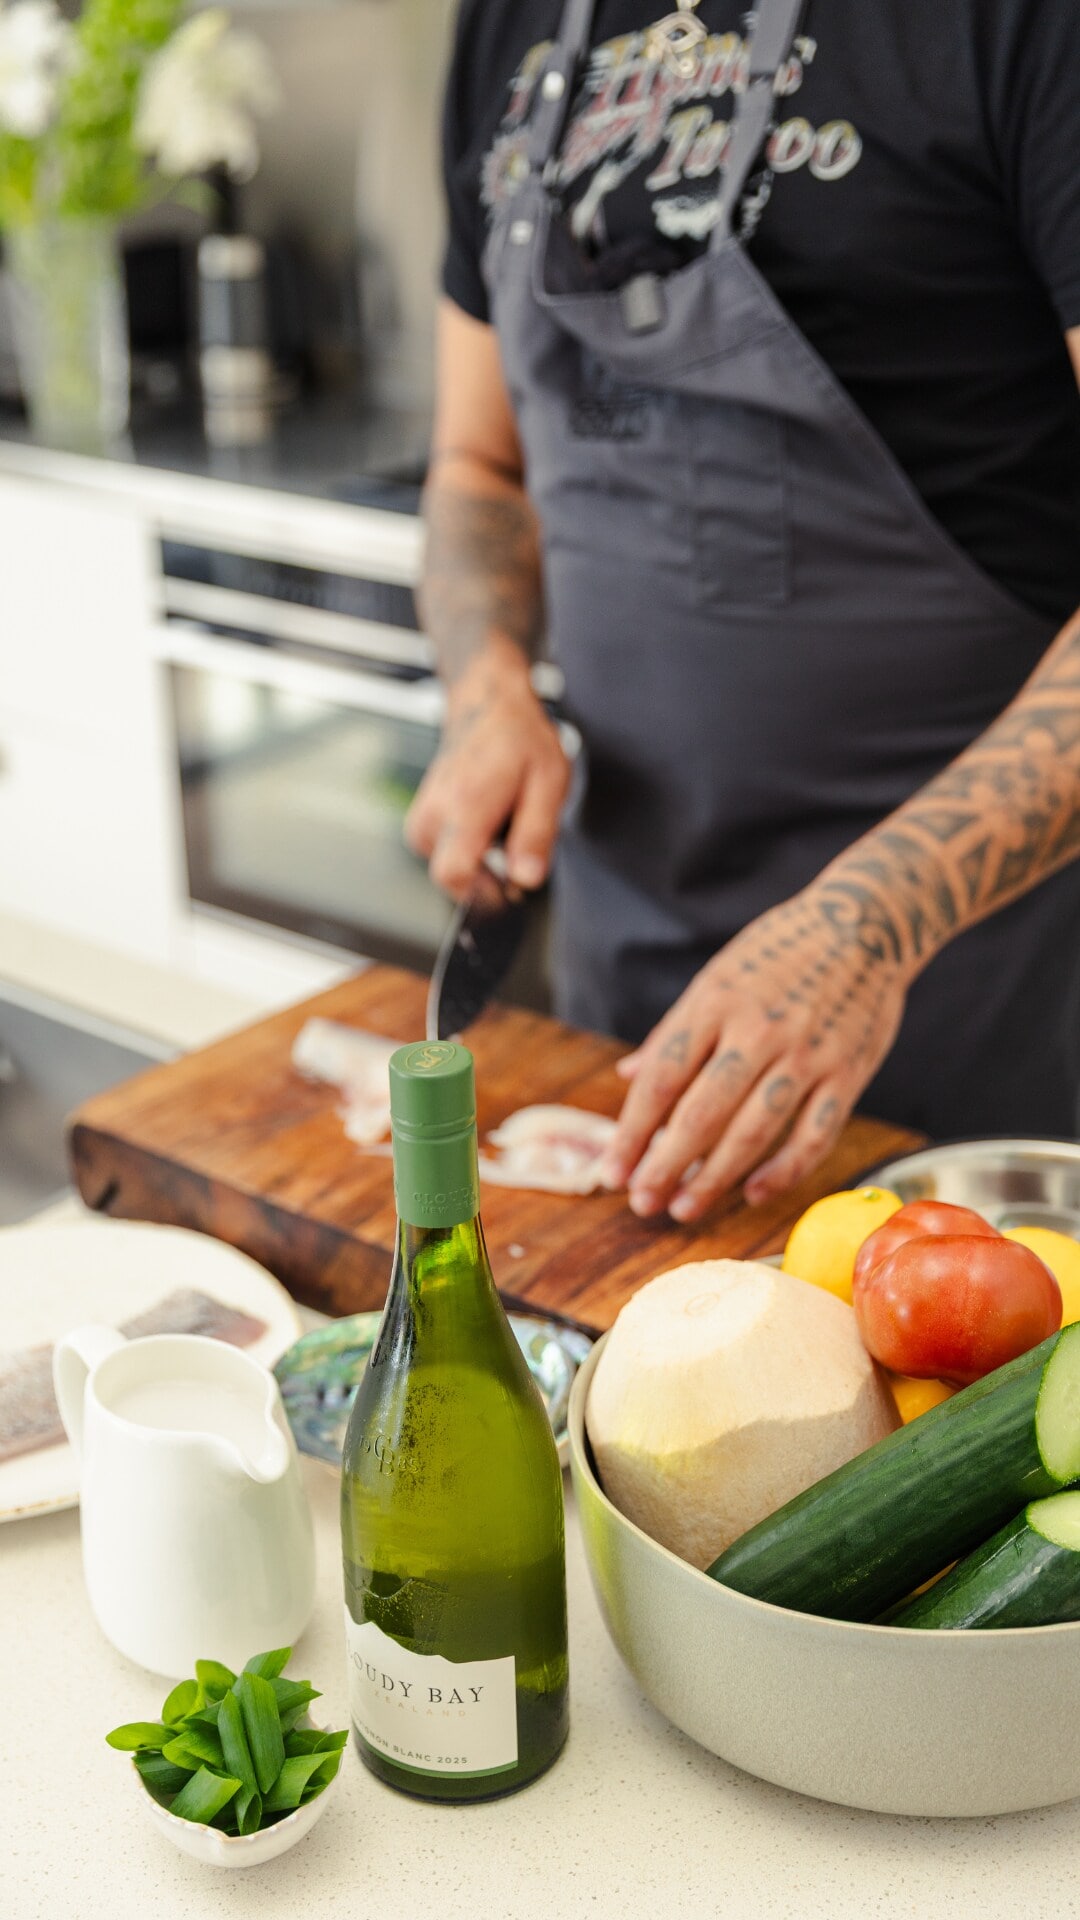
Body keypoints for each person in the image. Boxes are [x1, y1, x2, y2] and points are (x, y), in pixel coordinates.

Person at [405, 0, 1080, 1225]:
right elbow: (477, 470)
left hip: (973, 1027)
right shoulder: (505, 19)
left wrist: (869, 927)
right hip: (620, 1012)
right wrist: (487, 680)